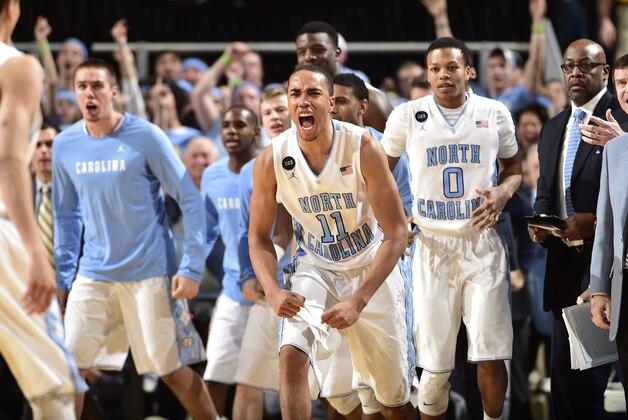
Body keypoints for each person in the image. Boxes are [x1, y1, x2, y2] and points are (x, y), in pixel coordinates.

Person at [52, 58, 217, 419]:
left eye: (97, 85)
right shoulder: (65, 145)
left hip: (149, 272)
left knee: (171, 371)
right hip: (94, 273)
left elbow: (189, 199)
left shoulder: (146, 136)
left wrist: (190, 267)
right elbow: (66, 216)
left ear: (114, 92)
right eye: (82, 86)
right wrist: (63, 278)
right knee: (68, 369)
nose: (89, 93)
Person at [249, 64, 415, 420]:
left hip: (371, 265)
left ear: (329, 102)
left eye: (312, 94)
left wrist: (359, 299)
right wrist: (273, 290)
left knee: (393, 399)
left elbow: (397, 233)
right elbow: (258, 238)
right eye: (295, 94)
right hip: (316, 265)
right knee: (291, 357)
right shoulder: (271, 159)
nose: (302, 102)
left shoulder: (362, 146)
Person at [381, 37, 522, 420]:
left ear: (468, 71)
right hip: (430, 244)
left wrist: (503, 193)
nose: (443, 75)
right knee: (435, 370)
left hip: (481, 242)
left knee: (491, 357)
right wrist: (395, 220)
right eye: (435, 69)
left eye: (452, 67)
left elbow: (514, 170)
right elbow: (378, 175)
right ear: (428, 74)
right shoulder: (407, 115)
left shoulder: (495, 112)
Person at [529, 39, 628, 420]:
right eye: (569, 66)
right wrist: (540, 224)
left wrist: (596, 222)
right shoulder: (554, 127)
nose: (575, 73)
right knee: (569, 397)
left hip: (613, 272)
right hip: (564, 272)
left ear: (605, 72)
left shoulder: (621, 117)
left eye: (585, 66)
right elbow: (545, 194)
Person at [0, 1, 86, 418]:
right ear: (12, 8)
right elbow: (9, 159)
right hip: (4, 230)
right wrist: (36, 251)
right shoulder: (17, 66)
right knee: (56, 387)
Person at [201, 105, 259, 418]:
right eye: (225, 125)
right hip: (232, 290)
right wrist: (189, 270)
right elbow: (206, 232)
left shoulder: (272, 167)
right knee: (216, 373)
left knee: (257, 382)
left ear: (256, 133)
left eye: (240, 124)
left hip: (273, 291)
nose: (231, 131)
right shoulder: (212, 174)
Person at [295, 21, 393, 132]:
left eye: (318, 50)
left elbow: (392, 148)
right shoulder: (296, 101)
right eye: (302, 52)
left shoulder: (372, 100)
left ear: (337, 53)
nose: (308, 57)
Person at [589, 131, 628, 406]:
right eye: (622, 84)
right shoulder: (614, 150)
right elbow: (605, 226)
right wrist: (600, 287)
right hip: (624, 291)